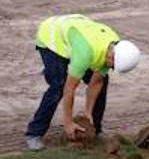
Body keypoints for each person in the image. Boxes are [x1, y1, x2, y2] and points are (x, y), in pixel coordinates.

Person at [26, 14, 141, 152]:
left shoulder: (115, 47)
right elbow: (69, 89)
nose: (111, 68)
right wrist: (68, 122)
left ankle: (96, 129)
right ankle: (34, 133)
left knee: (103, 81)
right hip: (52, 39)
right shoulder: (86, 52)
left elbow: (96, 82)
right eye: (112, 66)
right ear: (111, 56)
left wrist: (88, 112)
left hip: (76, 34)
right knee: (59, 85)